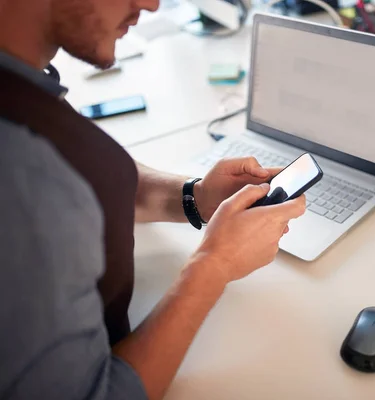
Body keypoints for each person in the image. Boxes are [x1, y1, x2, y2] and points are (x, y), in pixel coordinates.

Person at [0, 1, 306, 399]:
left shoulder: (23, 76)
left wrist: (195, 197)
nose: (151, 4)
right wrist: (214, 265)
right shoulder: (21, 175)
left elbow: (81, 175)